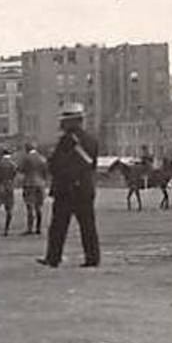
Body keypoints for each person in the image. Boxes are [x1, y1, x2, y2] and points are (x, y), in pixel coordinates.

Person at [39, 102, 100, 269]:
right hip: (85, 189)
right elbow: (92, 165)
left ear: (71, 122)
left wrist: (51, 162)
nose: (62, 124)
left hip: (66, 190)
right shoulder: (91, 140)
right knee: (88, 226)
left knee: (58, 227)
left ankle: (53, 257)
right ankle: (92, 257)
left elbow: (57, 165)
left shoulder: (66, 141)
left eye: (64, 121)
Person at [18, 142, 48, 236]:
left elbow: (21, 169)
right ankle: (38, 228)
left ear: (27, 148)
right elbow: (46, 172)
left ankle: (30, 228)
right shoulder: (42, 158)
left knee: (30, 206)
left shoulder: (26, 158)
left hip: (29, 183)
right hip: (40, 184)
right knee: (38, 207)